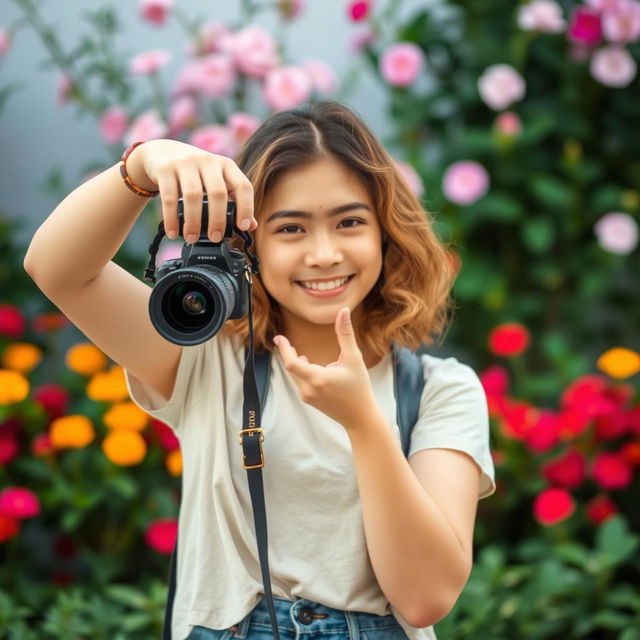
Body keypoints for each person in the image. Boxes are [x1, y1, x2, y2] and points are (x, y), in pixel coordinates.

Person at [23, 100, 495, 640]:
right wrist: (143, 164)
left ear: (386, 234)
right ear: (250, 247)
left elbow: (425, 597)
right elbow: (57, 269)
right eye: (291, 229)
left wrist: (363, 422)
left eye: (349, 222)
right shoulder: (205, 359)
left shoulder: (440, 391)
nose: (323, 254)